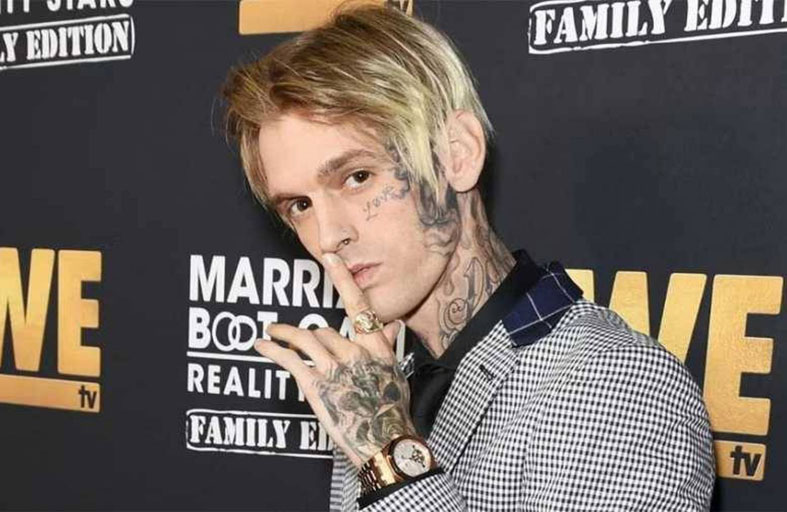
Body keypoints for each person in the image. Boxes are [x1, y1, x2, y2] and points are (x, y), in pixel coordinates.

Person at [222, 4, 715, 511]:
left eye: (357, 177)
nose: (328, 236)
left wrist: (388, 452)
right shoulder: (379, 381)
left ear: (457, 154)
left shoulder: (618, 384)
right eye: (300, 205)